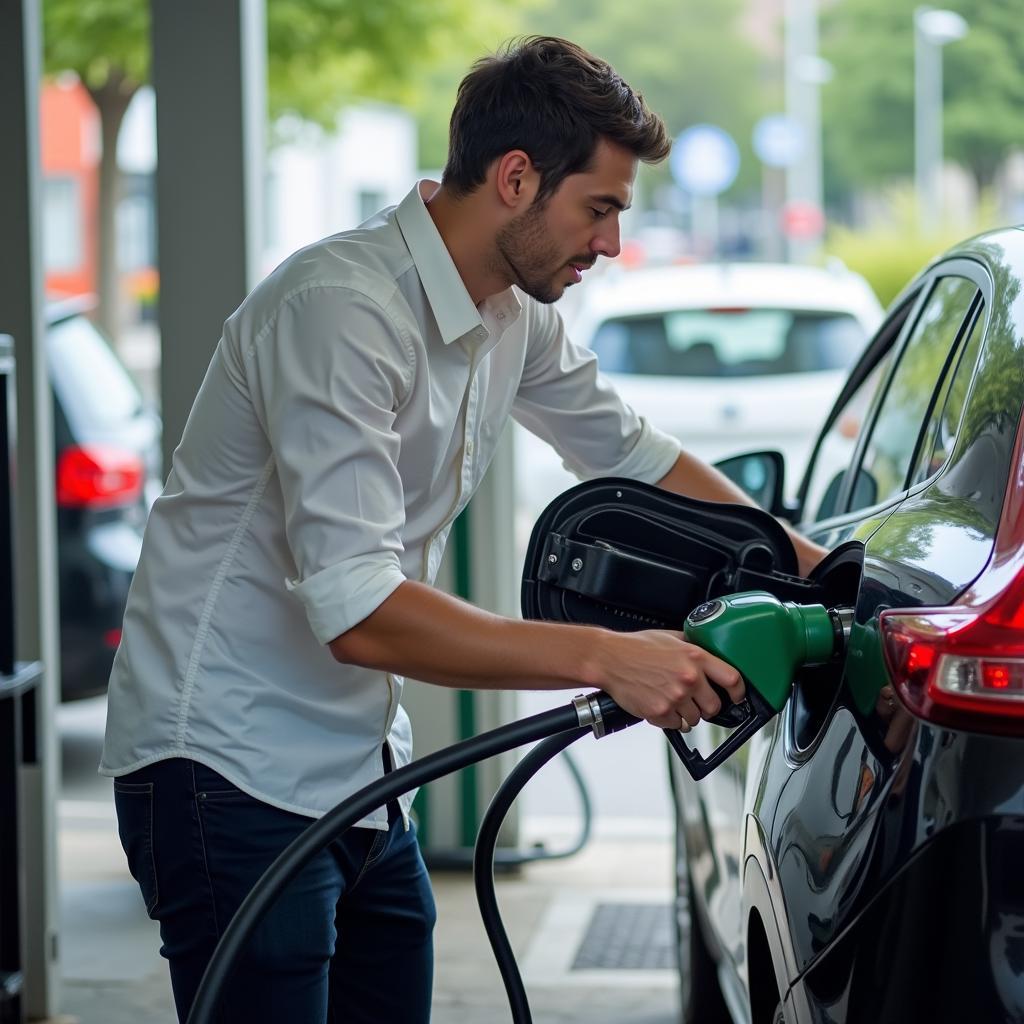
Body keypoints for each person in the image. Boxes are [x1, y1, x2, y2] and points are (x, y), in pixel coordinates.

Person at [101, 35, 824, 1024]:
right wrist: (609, 657)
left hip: (361, 767)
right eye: (600, 207)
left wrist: (808, 565)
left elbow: (629, 453)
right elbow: (358, 612)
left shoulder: (509, 316)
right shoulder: (339, 311)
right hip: (226, 770)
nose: (610, 244)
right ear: (517, 178)